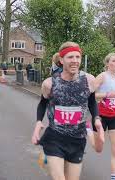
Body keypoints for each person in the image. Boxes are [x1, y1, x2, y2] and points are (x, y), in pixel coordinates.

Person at [32, 42, 104, 180]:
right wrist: (38, 123)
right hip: (55, 137)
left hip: (77, 139)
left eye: (78, 57)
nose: (75, 61)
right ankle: (48, 156)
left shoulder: (89, 80)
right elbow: (42, 104)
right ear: (61, 60)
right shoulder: (50, 83)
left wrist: (96, 119)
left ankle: (46, 159)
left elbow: (91, 102)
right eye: (70, 57)